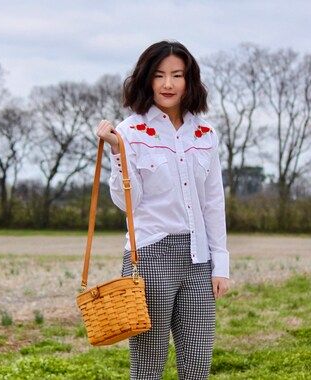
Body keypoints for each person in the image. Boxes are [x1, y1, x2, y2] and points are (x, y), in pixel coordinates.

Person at [95, 40, 230, 380]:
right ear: (147, 80)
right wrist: (117, 153)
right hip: (151, 256)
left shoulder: (206, 133)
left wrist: (221, 262)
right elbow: (127, 201)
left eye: (177, 75)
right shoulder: (129, 132)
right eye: (159, 76)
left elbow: (213, 201)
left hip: (199, 258)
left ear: (189, 81)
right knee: (148, 367)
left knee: (198, 365)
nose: (168, 84)